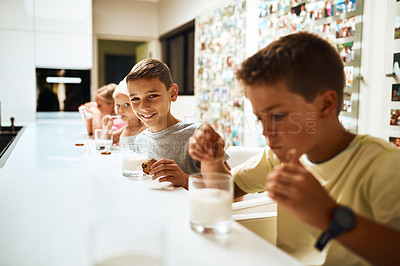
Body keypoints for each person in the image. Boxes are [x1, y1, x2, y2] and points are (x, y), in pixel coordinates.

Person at [188, 32, 400, 265]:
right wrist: (211, 160)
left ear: (325, 104)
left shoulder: (385, 165)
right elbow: (226, 193)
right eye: (260, 119)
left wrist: (329, 215)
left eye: (277, 115)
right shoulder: (278, 156)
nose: (266, 131)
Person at [126, 59, 204, 188]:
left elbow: (232, 187)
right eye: (135, 99)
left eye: (152, 96)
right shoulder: (140, 140)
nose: (144, 106)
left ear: (172, 93)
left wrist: (185, 180)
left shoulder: (198, 134)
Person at [102, 78, 146, 145]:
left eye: (127, 105)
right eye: (118, 105)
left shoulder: (145, 129)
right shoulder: (125, 129)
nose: (120, 110)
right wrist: (108, 127)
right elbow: (106, 141)